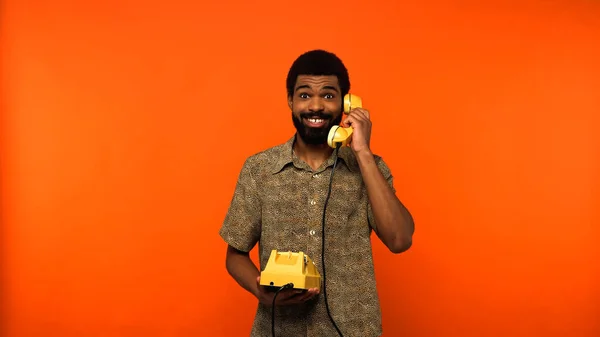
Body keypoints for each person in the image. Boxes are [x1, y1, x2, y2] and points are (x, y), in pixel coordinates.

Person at [219, 49, 415, 337]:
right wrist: (261, 292)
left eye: (328, 95)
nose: (315, 106)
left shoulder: (370, 168)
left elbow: (400, 240)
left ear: (346, 103)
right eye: (304, 95)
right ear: (290, 100)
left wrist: (362, 152)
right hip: (279, 330)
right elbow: (235, 253)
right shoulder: (259, 169)